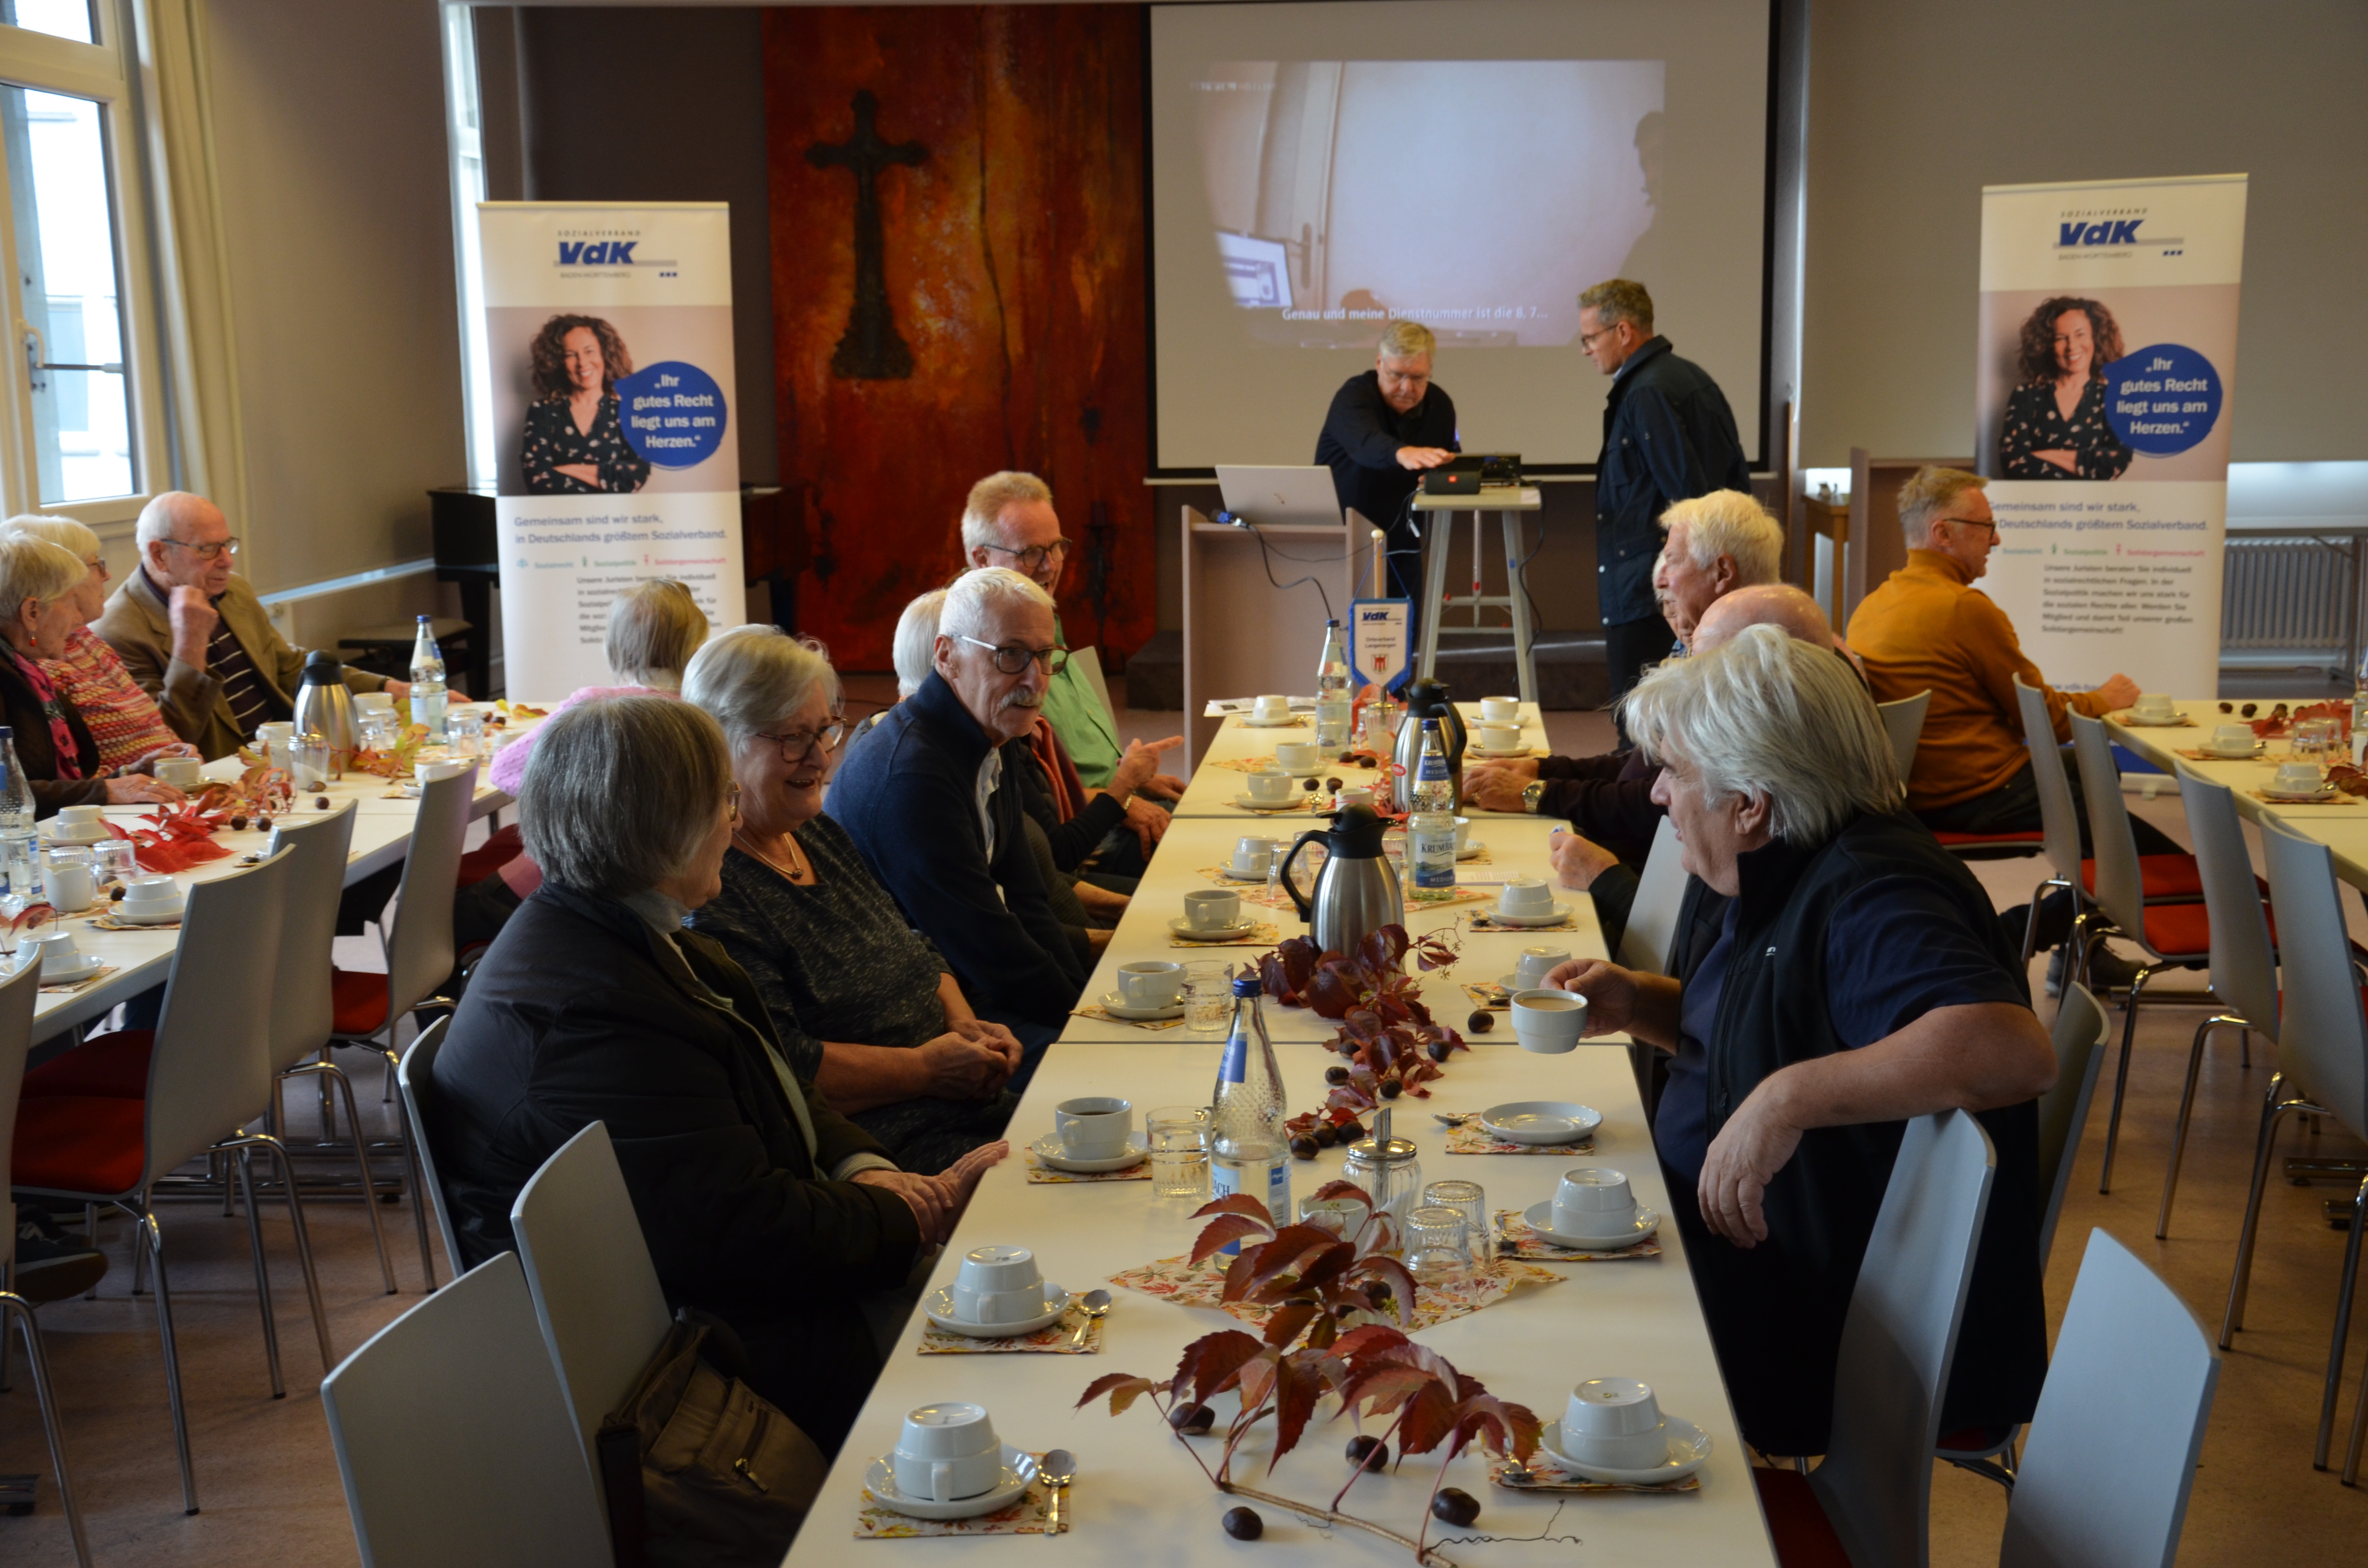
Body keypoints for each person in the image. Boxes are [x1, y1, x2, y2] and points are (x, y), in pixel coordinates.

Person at [431, 696, 1002, 1452]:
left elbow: (779, 1087)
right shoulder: (598, 1016)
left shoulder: (617, 929)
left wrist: (864, 1167)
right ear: (662, 829)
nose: (736, 823)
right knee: (1012, 1336)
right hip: (697, 1361)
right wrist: (920, 1214)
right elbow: (744, 1235)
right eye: (724, 800)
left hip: (721, 1289)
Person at [1546, 626, 2053, 1457]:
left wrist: (1784, 1099)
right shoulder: (1782, 859)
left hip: (1798, 1319)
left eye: (1675, 772)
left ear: (1749, 803)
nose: (1657, 796)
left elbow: (2009, 1048)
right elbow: (1777, 1024)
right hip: (1735, 1259)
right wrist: (1639, 1001)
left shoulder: (1874, 891)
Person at [683, 624, 1032, 1175]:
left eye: (824, 731)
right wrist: (925, 1069)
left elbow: (913, 944)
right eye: (791, 739)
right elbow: (785, 1069)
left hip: (967, 1099)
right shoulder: (715, 889)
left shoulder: (813, 833)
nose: (821, 760)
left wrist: (963, 1026)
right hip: (893, 1149)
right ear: (719, 741)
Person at [1844, 466, 2165, 975]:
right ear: (1942, 533)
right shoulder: (1961, 607)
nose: (1996, 538)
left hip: (1919, 792)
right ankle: (2015, 933)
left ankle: (2081, 952)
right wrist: (2104, 698)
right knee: (2151, 861)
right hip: (1977, 795)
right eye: (1984, 526)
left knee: (2094, 771)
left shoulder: (1873, 604)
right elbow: (2048, 723)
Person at [832, 568, 1086, 1037]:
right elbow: (986, 945)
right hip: (915, 1015)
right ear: (946, 656)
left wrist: (1081, 1003)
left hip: (972, 976)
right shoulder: (913, 776)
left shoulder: (992, 727)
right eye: (1010, 654)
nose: (1034, 679)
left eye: (1045, 655)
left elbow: (1028, 901)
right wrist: (1084, 1029)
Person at [1546, 584, 1856, 956]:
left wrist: (1606, 880)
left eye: (1706, 668)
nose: (1658, 793)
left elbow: (1693, 954)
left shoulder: (1812, 879)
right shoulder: (1755, 843)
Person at [1462, 490, 1783, 833]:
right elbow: (1640, 767)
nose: (1659, 577)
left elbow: (1659, 802)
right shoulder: (1707, 650)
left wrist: (1536, 794)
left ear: (1721, 572)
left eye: (1673, 559)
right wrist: (1541, 771)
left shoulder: (1741, 672)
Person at [95, 491, 406, 762]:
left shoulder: (233, 591)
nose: (227, 562)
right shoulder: (117, 632)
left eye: (227, 545)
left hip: (287, 754)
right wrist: (191, 640)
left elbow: (287, 666)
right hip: (220, 778)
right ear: (159, 555)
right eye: (207, 549)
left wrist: (392, 688)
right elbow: (166, 739)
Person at [1577, 280, 1752, 713]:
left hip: (1653, 594)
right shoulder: (1689, 377)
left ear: (1623, 332)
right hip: (1678, 586)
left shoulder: (1647, 392)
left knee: (1641, 725)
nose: (1585, 349)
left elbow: (1687, 501)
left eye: (1589, 338)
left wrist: (1675, 584)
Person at [959, 471, 1178, 805]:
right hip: (1085, 828)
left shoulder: (1042, 619)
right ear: (982, 559)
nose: (1051, 566)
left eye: (1056, 547)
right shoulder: (982, 656)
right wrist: (1123, 798)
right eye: (1031, 552)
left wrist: (1134, 783)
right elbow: (1024, 807)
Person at [0, 535, 183, 815]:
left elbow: (60, 789)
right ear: (32, 612)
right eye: (72, 602)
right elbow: (7, 797)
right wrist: (106, 790)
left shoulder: (27, 669)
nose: (78, 619)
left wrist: (130, 774)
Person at [487, 577, 709, 796]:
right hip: (687, 832)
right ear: (697, 645)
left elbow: (503, 770)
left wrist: (588, 801)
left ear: (615, 645)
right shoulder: (712, 705)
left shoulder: (591, 705)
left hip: (598, 831)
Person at [1314, 319, 1460, 635]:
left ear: (1430, 371)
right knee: (1343, 646)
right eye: (1397, 375)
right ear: (1379, 363)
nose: (1407, 388)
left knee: (1401, 648)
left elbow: (1449, 459)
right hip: (1344, 547)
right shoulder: (1353, 398)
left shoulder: (1441, 406)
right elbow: (1366, 444)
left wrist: (1438, 477)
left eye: (1418, 378)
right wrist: (1403, 453)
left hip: (1403, 546)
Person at [1998, 296, 2133, 480]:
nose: (2072, 346)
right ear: (2048, 345)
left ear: (2097, 339)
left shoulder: (2115, 399)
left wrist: (2040, 455)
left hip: (2094, 508)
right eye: (2061, 338)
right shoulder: (2026, 396)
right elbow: (2013, 464)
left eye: (2080, 334)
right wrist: (2087, 466)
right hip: (2034, 507)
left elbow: (2115, 463)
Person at [520, 314, 652, 495]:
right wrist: (608, 478)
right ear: (559, 362)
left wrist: (564, 470)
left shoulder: (629, 413)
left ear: (605, 355)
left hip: (616, 520)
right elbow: (537, 481)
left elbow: (636, 476)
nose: (582, 363)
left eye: (589, 351)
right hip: (558, 521)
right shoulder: (542, 412)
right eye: (571, 355)